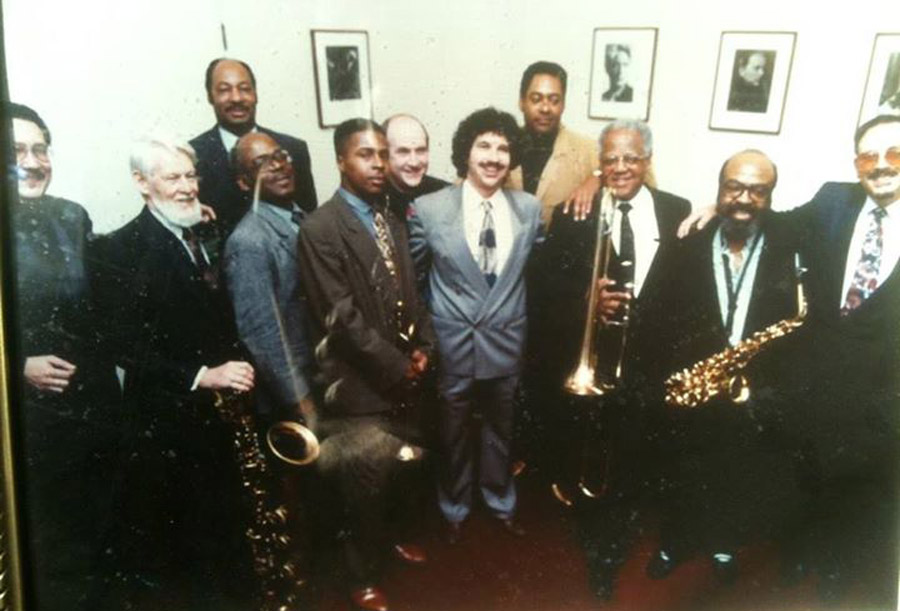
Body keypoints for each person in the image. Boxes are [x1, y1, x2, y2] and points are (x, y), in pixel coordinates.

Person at [91, 136, 256, 609]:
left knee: (227, 545)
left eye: (190, 176)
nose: (186, 188)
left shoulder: (200, 232)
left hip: (218, 421)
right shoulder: (118, 250)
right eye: (172, 178)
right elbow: (122, 346)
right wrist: (202, 375)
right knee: (187, 561)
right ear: (142, 184)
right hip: (166, 430)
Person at [533, 119, 691, 599]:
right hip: (594, 356)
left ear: (647, 161)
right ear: (598, 164)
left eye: (631, 158)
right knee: (594, 448)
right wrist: (587, 299)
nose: (621, 167)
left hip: (649, 359)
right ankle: (601, 549)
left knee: (635, 452)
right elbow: (544, 289)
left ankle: (619, 524)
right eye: (610, 159)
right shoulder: (575, 211)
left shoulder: (677, 209)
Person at [645, 150, 802, 584]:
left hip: (749, 383)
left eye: (757, 190)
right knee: (682, 468)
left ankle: (724, 545)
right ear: (718, 189)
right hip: (695, 381)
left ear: (771, 195)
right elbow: (658, 313)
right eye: (733, 187)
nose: (744, 199)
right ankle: (675, 542)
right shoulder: (688, 239)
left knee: (739, 469)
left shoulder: (787, 239)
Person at [297, 118, 435, 611]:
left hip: (402, 375)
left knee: (400, 472)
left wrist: (425, 346)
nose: (378, 164)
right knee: (364, 485)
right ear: (339, 160)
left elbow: (412, 295)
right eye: (365, 155)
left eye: (382, 154)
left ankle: (392, 541)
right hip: (357, 385)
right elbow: (340, 318)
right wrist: (400, 366)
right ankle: (362, 575)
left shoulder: (390, 218)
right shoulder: (320, 227)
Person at [408, 107, 542, 544]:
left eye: (503, 148)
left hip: (507, 340)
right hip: (453, 345)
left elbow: (534, 273)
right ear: (465, 152)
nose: (493, 156)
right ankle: (455, 509)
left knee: (503, 432)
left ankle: (501, 502)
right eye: (484, 145)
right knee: (453, 434)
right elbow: (412, 281)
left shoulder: (529, 208)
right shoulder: (427, 209)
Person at [9, 103, 122, 611]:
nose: (32, 162)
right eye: (14, 152)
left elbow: (103, 297)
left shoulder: (72, 215)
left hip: (93, 409)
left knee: (104, 538)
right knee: (51, 554)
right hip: (27, 424)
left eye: (39, 148)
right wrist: (16, 367)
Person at [224, 132, 316, 428]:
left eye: (280, 156)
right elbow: (262, 333)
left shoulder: (307, 219)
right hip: (294, 396)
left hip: (324, 377)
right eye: (262, 162)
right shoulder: (249, 240)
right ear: (243, 182)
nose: (277, 166)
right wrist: (299, 399)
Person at [190, 58, 318, 234]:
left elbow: (308, 221)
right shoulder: (191, 157)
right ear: (210, 97)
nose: (236, 98)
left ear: (256, 94)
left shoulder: (293, 149)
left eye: (244, 89)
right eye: (224, 90)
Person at [506, 61, 600, 226]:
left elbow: (639, 176)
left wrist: (597, 179)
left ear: (563, 105)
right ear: (521, 102)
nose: (545, 108)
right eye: (536, 99)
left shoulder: (586, 149)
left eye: (554, 100)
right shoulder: (500, 146)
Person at [383, 113, 449, 220]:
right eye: (403, 152)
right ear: (385, 154)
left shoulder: (446, 195)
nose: (414, 162)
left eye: (420, 151)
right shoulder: (373, 200)